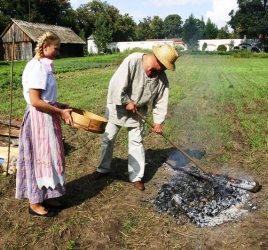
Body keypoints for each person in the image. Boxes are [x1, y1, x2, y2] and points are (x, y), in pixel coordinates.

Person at [93, 44, 179, 191]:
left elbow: (161, 100)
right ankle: (103, 169)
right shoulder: (133, 61)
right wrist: (126, 102)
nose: (164, 70)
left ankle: (136, 177)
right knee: (108, 138)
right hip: (118, 108)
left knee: (137, 142)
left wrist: (158, 122)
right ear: (157, 60)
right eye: (164, 66)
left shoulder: (161, 79)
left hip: (138, 113)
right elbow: (116, 84)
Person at [16, 31, 73, 217]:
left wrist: (60, 106)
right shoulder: (36, 67)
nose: (57, 52)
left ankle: (48, 195)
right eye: (56, 48)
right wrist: (60, 112)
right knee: (37, 159)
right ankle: (34, 202)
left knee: (49, 158)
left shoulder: (45, 66)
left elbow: (46, 98)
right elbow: (35, 101)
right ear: (45, 47)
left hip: (47, 118)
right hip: (38, 120)